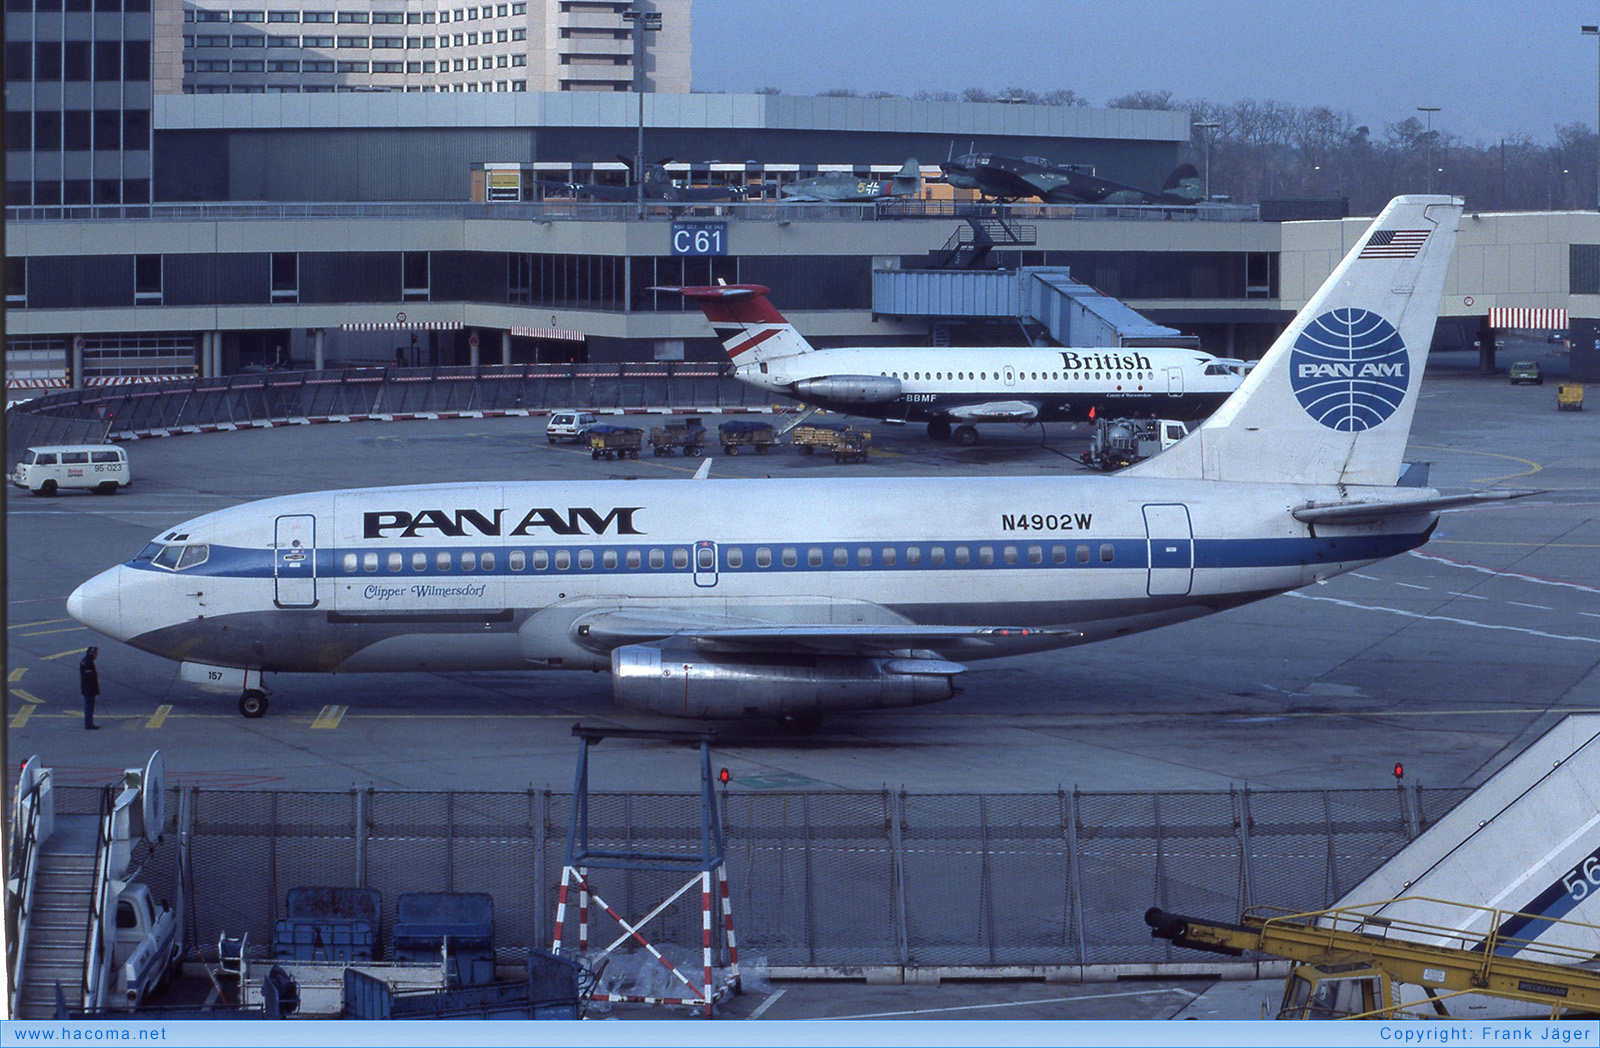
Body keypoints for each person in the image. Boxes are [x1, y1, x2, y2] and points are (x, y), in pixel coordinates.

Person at [80, 646, 100, 729]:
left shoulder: (86, 661)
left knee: (89, 706)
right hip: (89, 689)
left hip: (87, 688)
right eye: (95, 653)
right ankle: (89, 724)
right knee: (89, 706)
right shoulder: (88, 664)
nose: (97, 655)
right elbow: (90, 679)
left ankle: (89, 722)